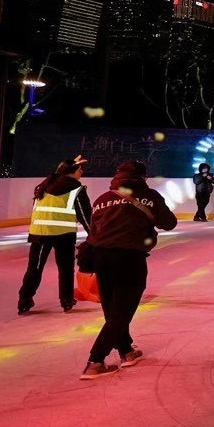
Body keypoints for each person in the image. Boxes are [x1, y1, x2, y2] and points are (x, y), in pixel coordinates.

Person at [80, 161, 177, 379]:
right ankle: (95, 361)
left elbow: (93, 229)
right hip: (129, 257)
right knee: (122, 312)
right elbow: (168, 223)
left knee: (113, 309)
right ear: (142, 177)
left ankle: (126, 351)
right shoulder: (149, 195)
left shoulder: (102, 199)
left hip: (100, 257)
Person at [18, 155, 92, 315]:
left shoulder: (45, 185)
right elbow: (85, 215)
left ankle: (24, 299)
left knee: (34, 268)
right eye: (80, 169)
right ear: (71, 172)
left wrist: (70, 163)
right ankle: (66, 300)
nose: (82, 172)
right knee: (65, 269)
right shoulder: (76, 188)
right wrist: (93, 234)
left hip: (40, 234)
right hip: (63, 235)